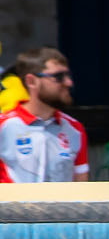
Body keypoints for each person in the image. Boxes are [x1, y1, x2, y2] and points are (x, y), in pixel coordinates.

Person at [0, 47, 88, 182]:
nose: (69, 83)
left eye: (68, 75)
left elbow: (83, 188)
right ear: (31, 81)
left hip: (64, 204)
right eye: (58, 77)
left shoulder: (75, 128)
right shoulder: (3, 126)